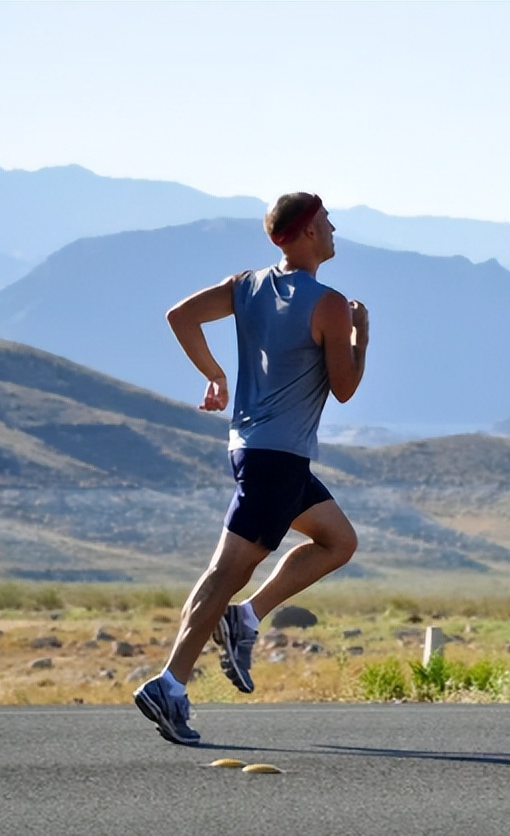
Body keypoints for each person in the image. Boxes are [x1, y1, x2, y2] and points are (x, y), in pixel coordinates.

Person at [134, 193, 369, 745]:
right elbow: (345, 388)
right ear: (308, 231)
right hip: (278, 459)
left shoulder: (246, 285)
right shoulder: (331, 305)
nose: (335, 232)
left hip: (254, 450)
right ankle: (169, 684)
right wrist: (362, 334)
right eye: (329, 224)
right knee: (225, 572)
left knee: (338, 541)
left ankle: (245, 618)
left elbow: (181, 315)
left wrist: (215, 374)